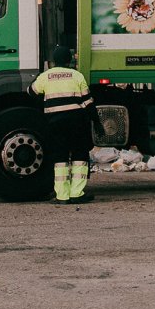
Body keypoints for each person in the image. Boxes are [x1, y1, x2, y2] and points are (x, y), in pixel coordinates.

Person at [30, 45, 94, 204]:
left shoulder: (46, 76)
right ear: (69, 60)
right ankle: (77, 193)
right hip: (76, 122)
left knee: (60, 158)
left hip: (55, 124)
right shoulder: (77, 75)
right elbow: (88, 102)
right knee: (80, 155)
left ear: (53, 61)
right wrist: (97, 122)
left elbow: (31, 92)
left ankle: (62, 196)